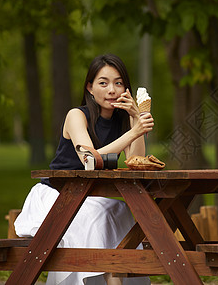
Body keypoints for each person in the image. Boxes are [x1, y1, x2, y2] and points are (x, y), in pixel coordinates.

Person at [15, 54, 154, 285]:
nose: (112, 90)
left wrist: (134, 118)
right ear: (90, 87)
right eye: (103, 82)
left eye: (118, 83)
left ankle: (115, 277)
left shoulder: (124, 120)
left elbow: (136, 162)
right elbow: (89, 160)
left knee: (121, 211)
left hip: (90, 196)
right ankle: (106, 280)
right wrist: (133, 132)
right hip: (57, 196)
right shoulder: (76, 115)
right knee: (99, 215)